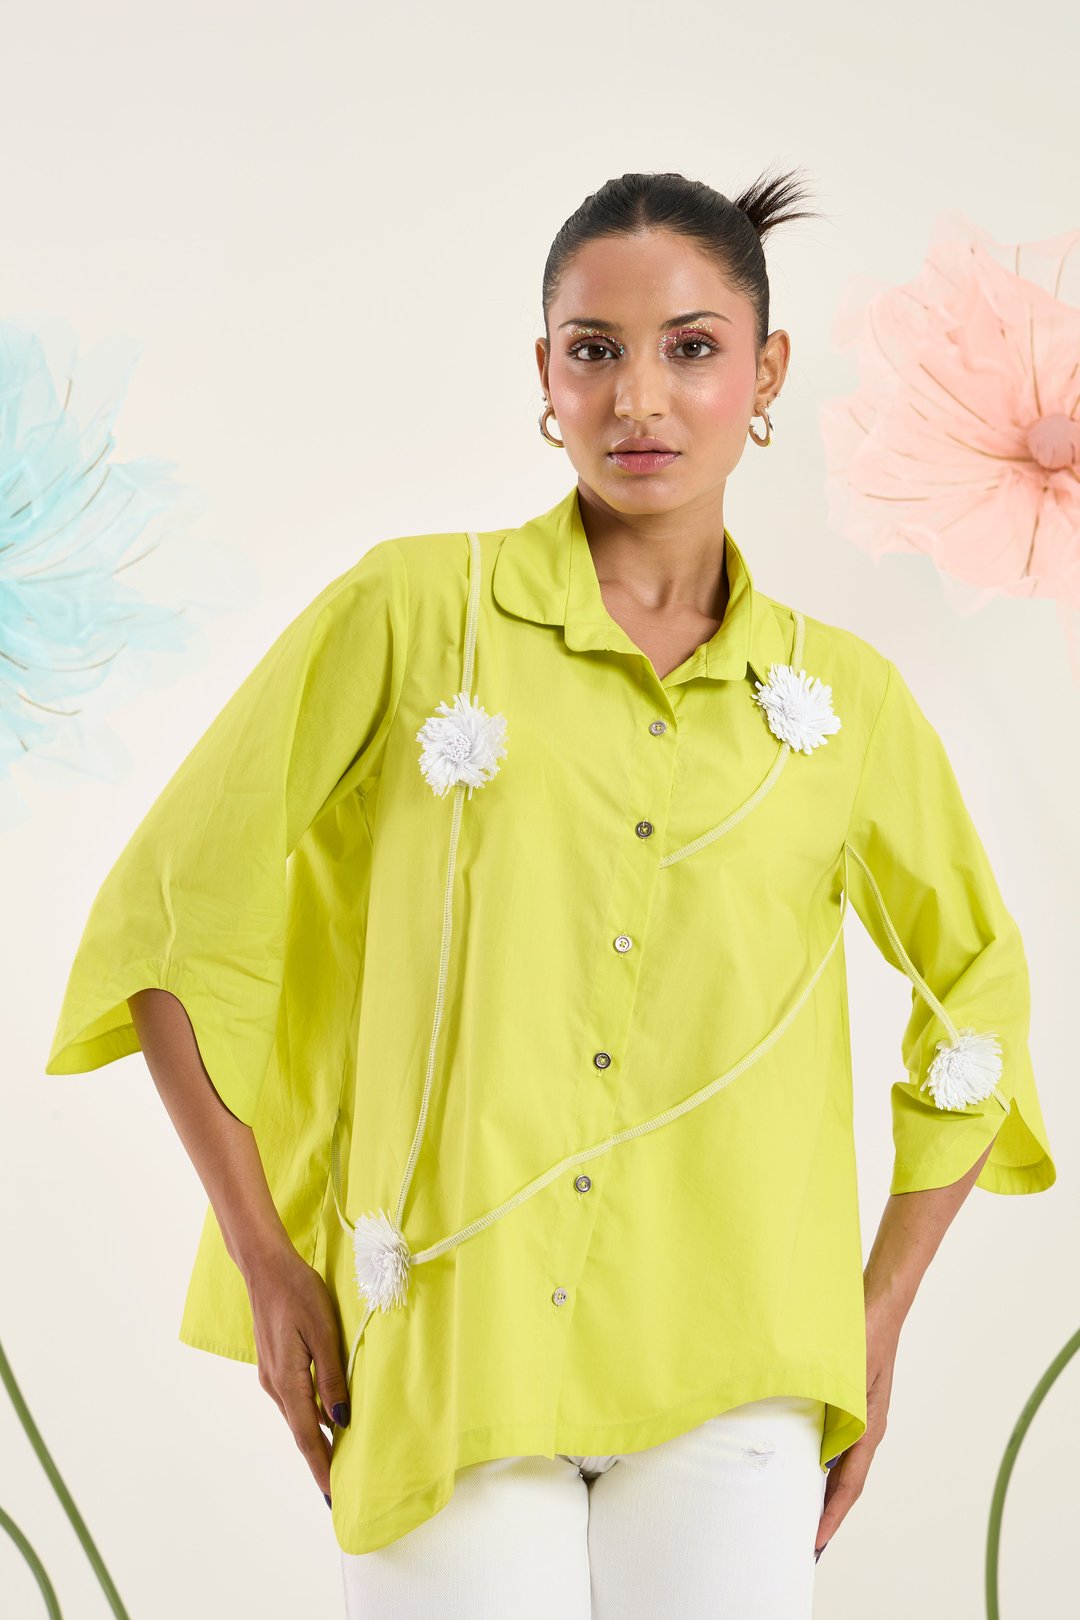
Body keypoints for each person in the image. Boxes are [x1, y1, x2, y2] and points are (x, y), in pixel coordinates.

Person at [45, 167, 1056, 1619]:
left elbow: (979, 998)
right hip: (452, 1345)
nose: (640, 396)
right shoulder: (412, 614)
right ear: (544, 375)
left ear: (768, 372)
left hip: (738, 1362)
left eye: (692, 348)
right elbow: (170, 916)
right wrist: (269, 1260)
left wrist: (875, 1316)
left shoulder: (846, 702)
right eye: (596, 350)